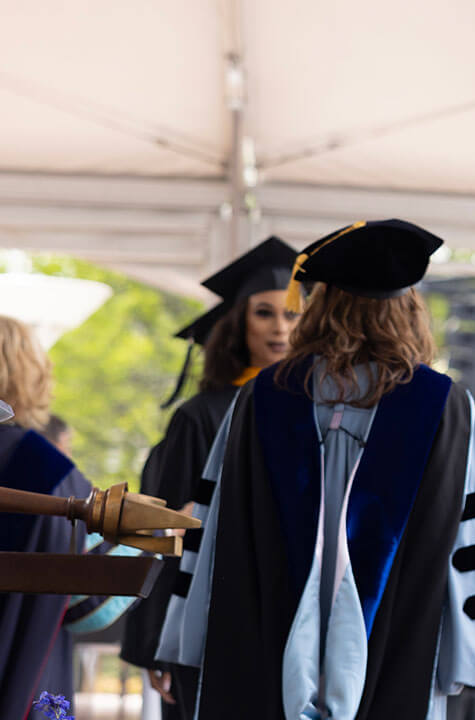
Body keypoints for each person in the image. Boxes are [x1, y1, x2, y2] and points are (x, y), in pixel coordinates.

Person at [157, 219, 475, 719]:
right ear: (409, 310)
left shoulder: (261, 396)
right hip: (398, 652)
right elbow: (472, 539)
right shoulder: (446, 406)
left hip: (264, 648)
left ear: (322, 305)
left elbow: (216, 533)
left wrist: (186, 632)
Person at [119, 236, 300, 720]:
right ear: (238, 322)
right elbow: (161, 527)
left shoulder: (324, 415)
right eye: (264, 312)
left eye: (293, 314)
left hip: (292, 622)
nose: (280, 328)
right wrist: (156, 639)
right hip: (208, 620)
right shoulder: (202, 417)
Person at [0, 315, 137, 720]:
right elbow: (88, 605)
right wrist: (159, 531)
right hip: (19, 675)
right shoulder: (43, 466)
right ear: (32, 374)